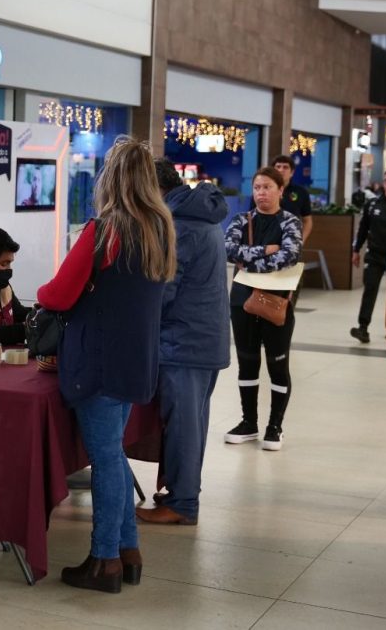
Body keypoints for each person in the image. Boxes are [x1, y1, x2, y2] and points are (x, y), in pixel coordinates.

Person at [38, 137, 176, 593]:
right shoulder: (160, 229)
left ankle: (104, 561)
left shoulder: (106, 230)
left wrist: (41, 295)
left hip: (97, 361)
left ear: (111, 178)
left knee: (105, 458)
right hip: (137, 360)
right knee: (113, 454)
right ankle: (128, 552)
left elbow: (56, 294)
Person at [136, 159, 230, 526]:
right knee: (193, 423)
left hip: (184, 341)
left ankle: (183, 503)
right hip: (204, 339)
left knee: (183, 426)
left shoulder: (181, 226)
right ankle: (182, 491)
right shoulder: (201, 215)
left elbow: (164, 291)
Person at [224, 167, 303, 450]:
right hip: (242, 301)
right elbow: (230, 250)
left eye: (267, 187)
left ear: (281, 190)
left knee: (277, 365)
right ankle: (249, 422)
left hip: (276, 302)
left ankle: (275, 426)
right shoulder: (240, 220)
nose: (261, 193)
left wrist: (252, 257)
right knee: (247, 363)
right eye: (257, 187)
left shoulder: (290, 222)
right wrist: (267, 250)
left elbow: (289, 255)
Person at [350, 169, 386, 343]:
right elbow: (362, 229)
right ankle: (363, 328)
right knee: (370, 291)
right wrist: (356, 250)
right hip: (374, 255)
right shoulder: (372, 204)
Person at [271, 155, 313, 244]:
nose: (281, 170)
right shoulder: (264, 190)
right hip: (267, 242)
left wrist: (301, 241)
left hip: (291, 241)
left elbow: (307, 220)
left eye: (285, 167)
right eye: (278, 167)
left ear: (292, 172)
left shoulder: (301, 192)